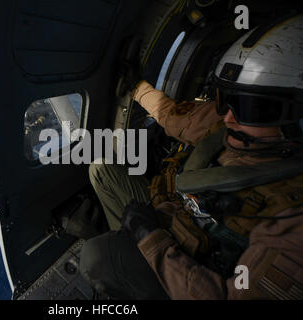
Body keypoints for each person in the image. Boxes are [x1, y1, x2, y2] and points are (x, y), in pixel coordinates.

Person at [79, 14, 303, 299]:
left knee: (97, 256)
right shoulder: (224, 122)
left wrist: (149, 239)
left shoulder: (293, 221)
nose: (229, 117)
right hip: (161, 212)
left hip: (186, 273)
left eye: (252, 108)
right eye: (227, 99)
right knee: (102, 170)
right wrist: (136, 87)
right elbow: (172, 115)